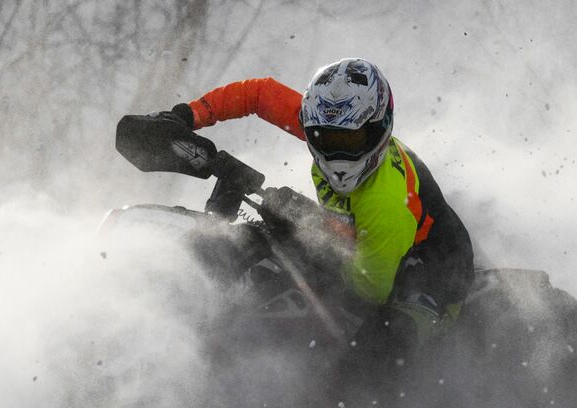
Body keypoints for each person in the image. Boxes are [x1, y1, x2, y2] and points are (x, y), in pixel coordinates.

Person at [160, 58, 475, 381]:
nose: (337, 153)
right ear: (309, 125)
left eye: (350, 141)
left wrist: (308, 228)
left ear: (380, 127)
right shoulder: (327, 120)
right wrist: (186, 116)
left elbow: (367, 294)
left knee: (374, 355)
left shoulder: (387, 205)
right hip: (364, 243)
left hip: (431, 274)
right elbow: (258, 95)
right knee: (255, 240)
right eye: (324, 138)